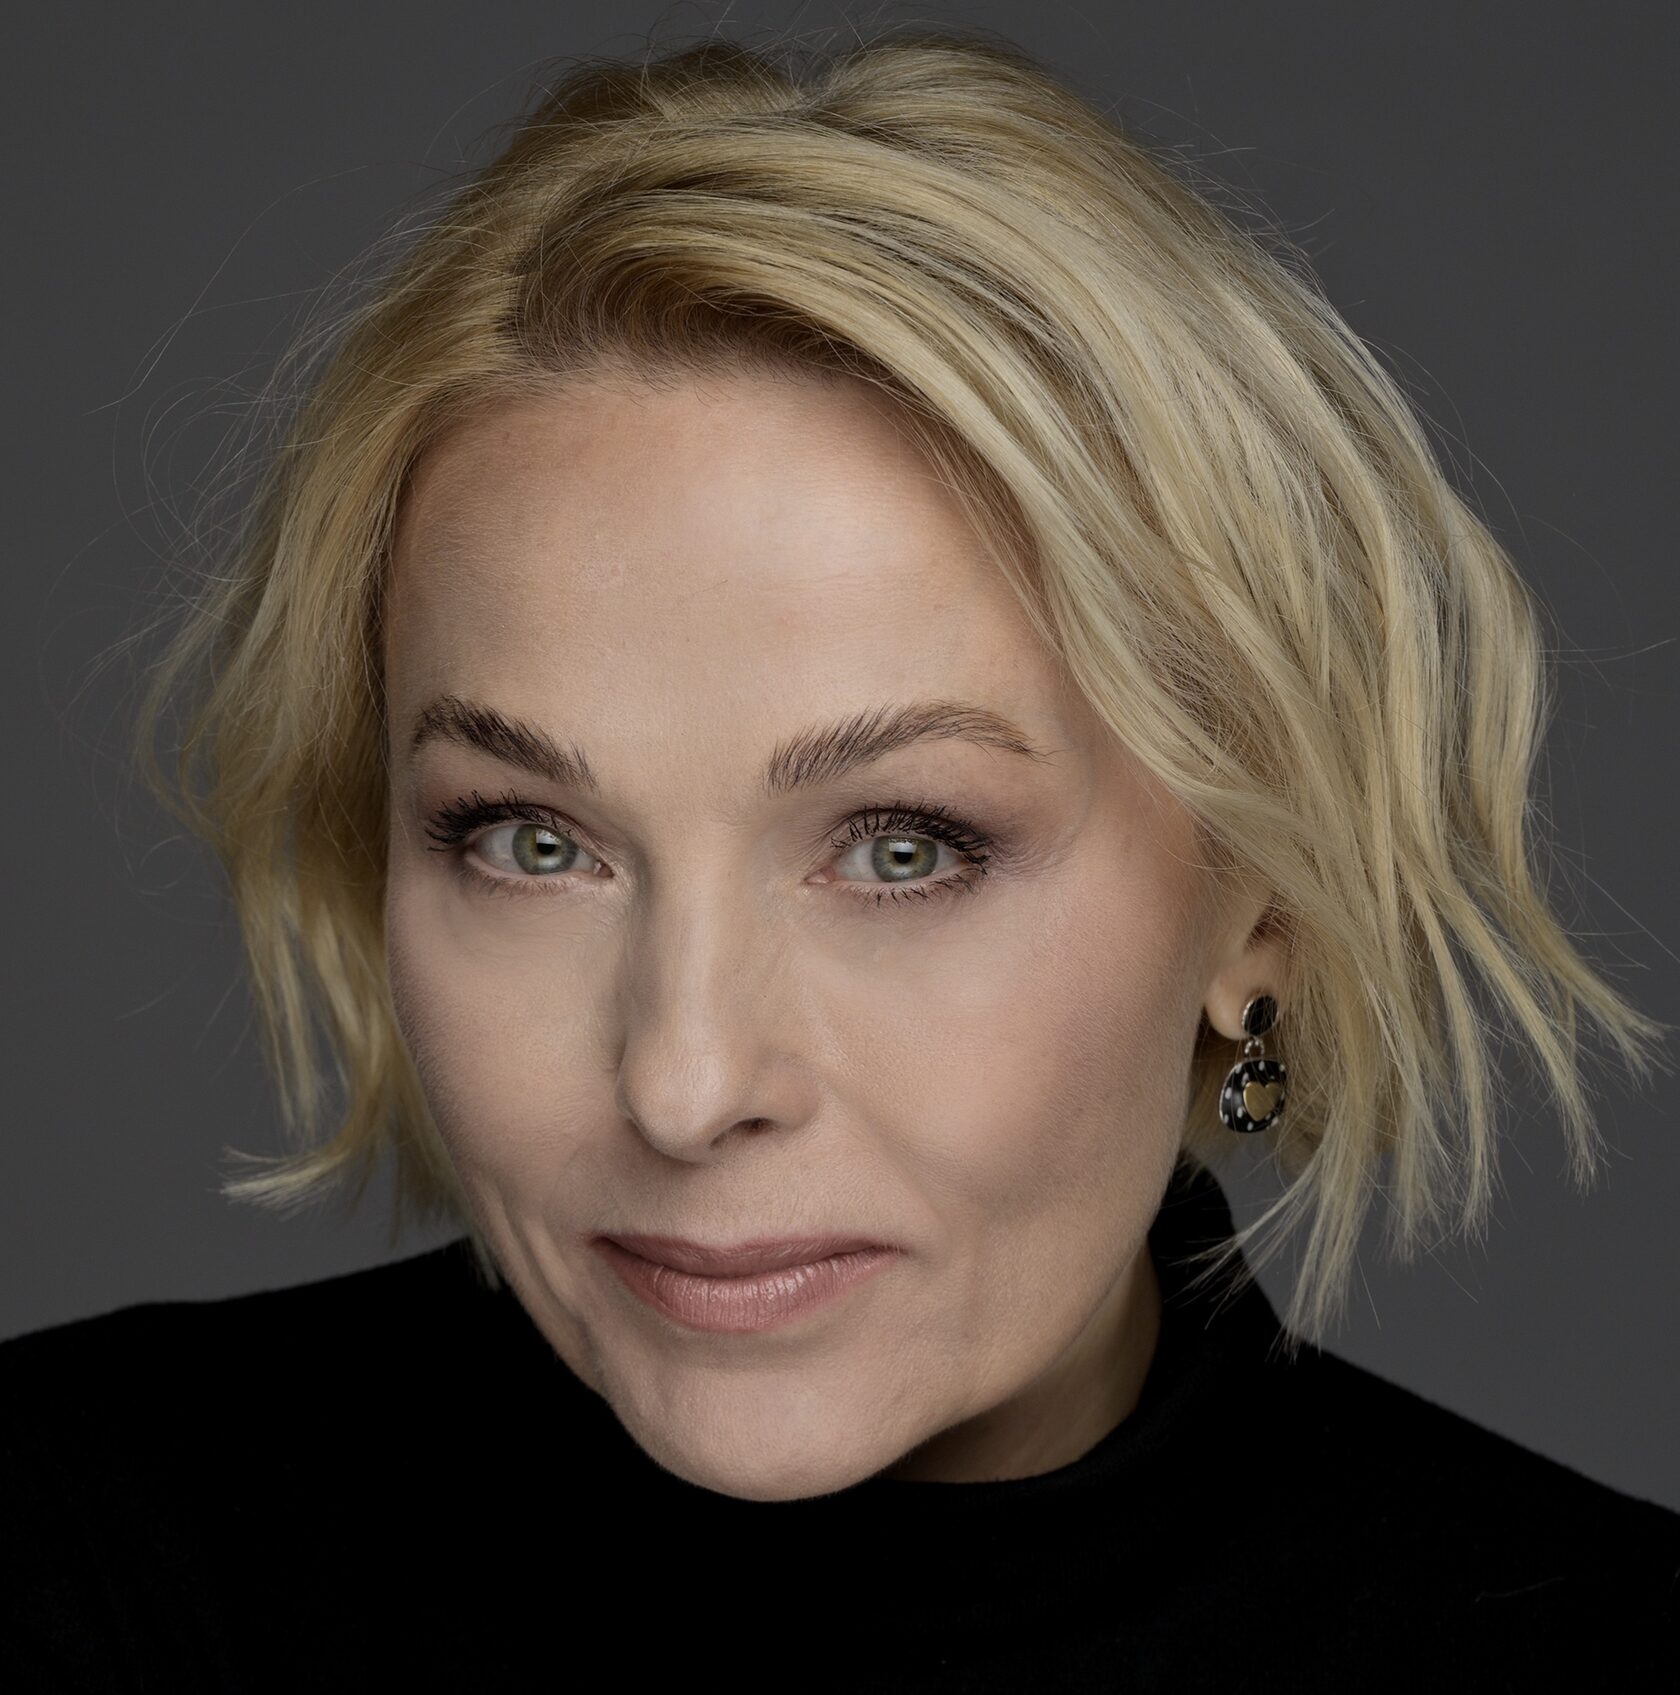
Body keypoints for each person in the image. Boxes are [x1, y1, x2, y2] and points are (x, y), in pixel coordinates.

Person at [4, 23, 1676, 1691]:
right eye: (532, 842)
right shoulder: (78, 1555)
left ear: (1265, 905)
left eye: (899, 850)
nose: (684, 1084)